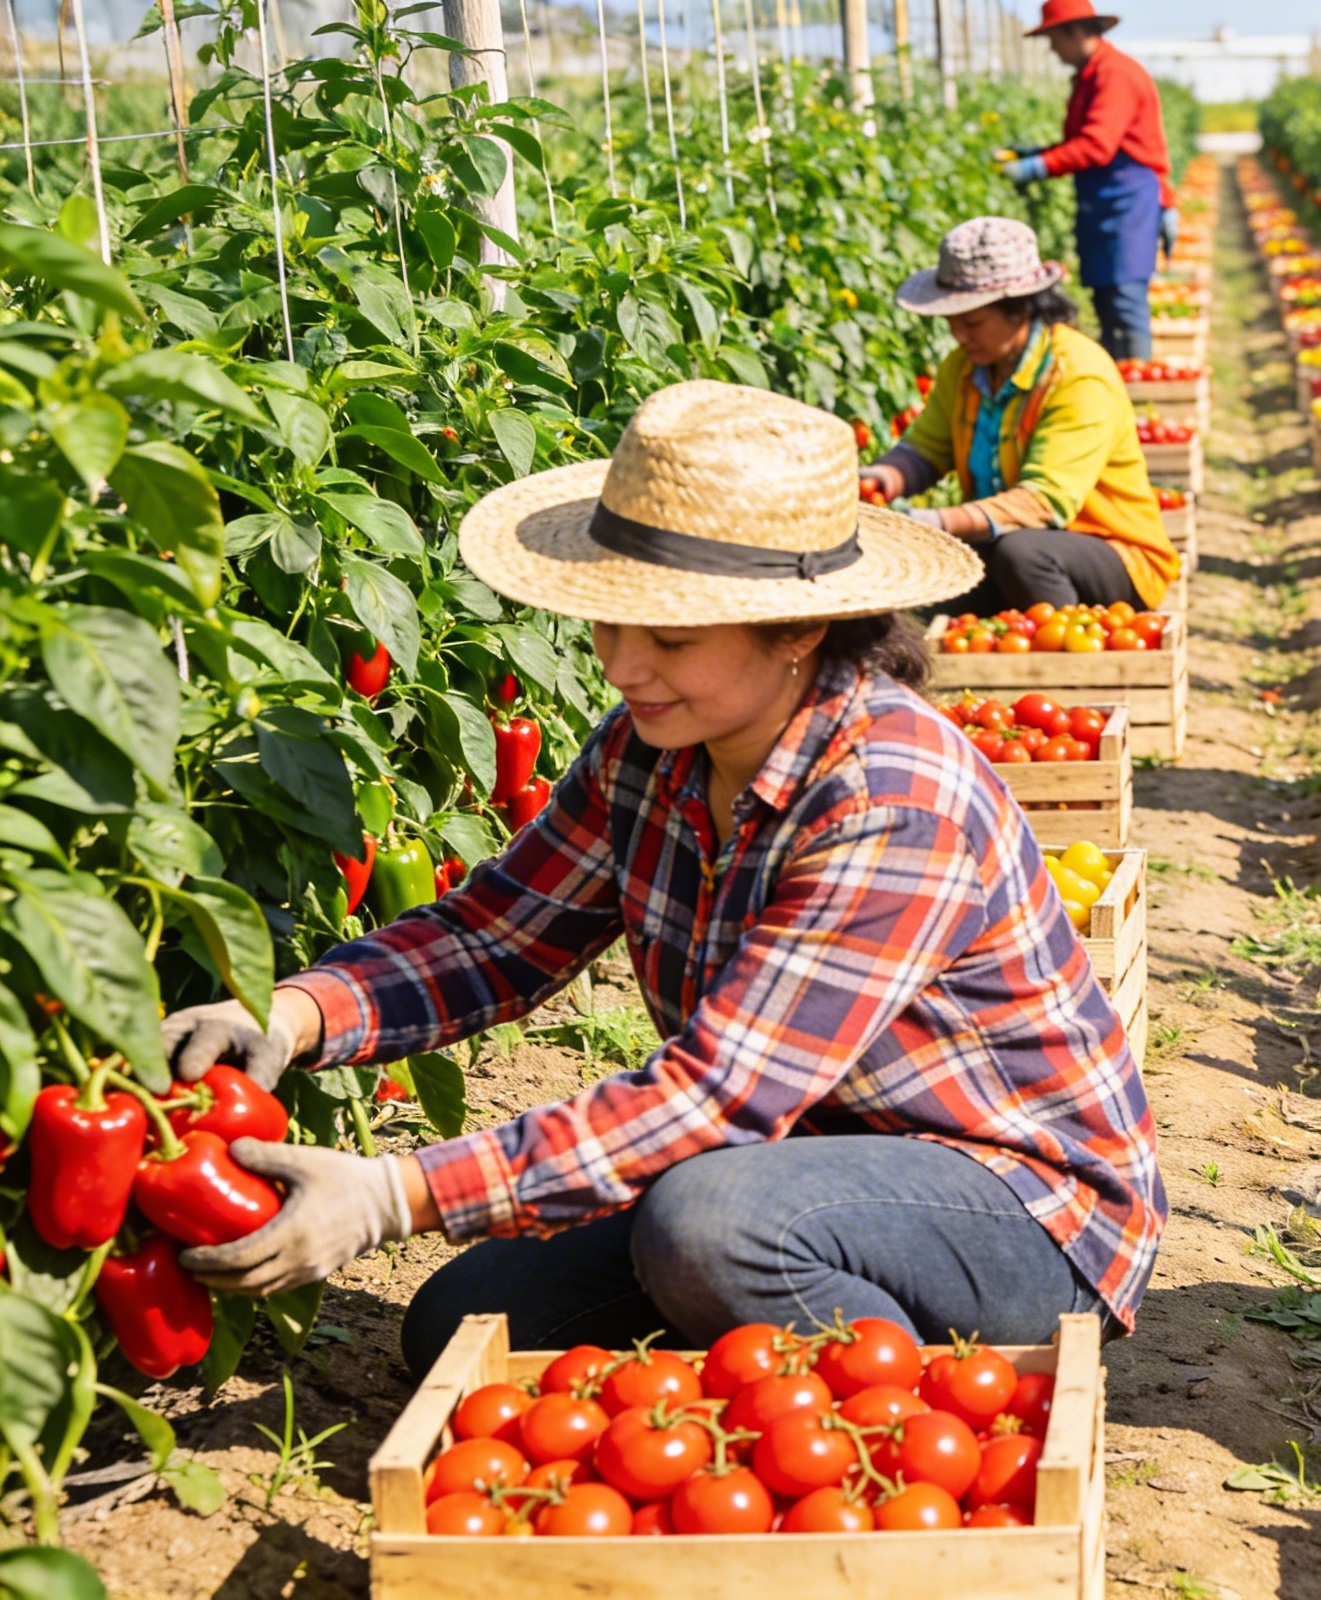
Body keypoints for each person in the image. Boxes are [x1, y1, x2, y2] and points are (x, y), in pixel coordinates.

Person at [156, 380, 1166, 1373]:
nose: (623, 666)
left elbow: (718, 1095)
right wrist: (298, 1012)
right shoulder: (652, 751)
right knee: (467, 1322)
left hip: (1018, 1205)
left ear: (800, 629)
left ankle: (898, 1416)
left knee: (710, 1227)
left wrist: (393, 1196)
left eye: (671, 637)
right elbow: (496, 937)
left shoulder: (890, 801)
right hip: (793, 1163)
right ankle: (767, 1330)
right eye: (610, 624)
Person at [865, 216, 1180, 613]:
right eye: (951, 322)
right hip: (999, 545)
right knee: (907, 590)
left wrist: (934, 524)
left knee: (1024, 554)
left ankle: (1064, 648)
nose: (959, 335)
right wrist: (882, 478)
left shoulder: (1077, 375)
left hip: (1109, 551)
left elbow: (1044, 502)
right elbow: (927, 449)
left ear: (1020, 309)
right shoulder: (962, 369)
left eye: (972, 322)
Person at [1001, 0, 1171, 362]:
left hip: (1125, 199)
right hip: (1106, 198)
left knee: (1124, 299)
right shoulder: (1091, 75)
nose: (1052, 49)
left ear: (1075, 33)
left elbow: (1097, 145)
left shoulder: (1114, 74)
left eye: (1053, 39)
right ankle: (1118, 376)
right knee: (1108, 298)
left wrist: (1038, 166)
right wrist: (1037, 154)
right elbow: (1082, 139)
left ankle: (1136, 381)